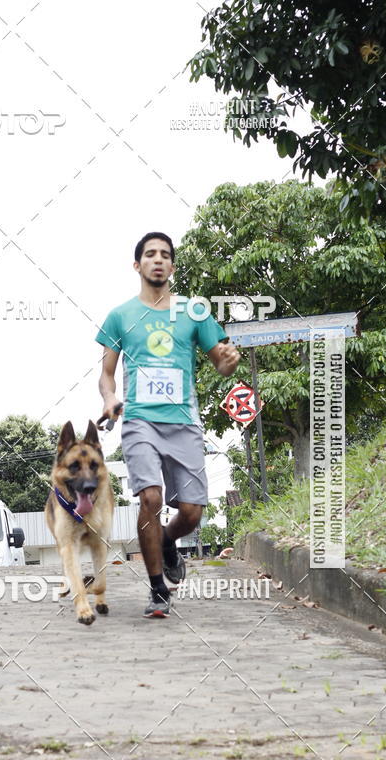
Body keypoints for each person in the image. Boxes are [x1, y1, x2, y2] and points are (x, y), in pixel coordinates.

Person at [96, 231, 241, 619]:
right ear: (137, 265)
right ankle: (159, 589)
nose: (157, 260)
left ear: (172, 266)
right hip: (140, 420)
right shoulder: (120, 315)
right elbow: (107, 374)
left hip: (184, 421)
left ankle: (166, 543)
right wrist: (110, 400)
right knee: (150, 499)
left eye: (164, 255)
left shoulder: (194, 312)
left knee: (192, 511)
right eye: (150, 254)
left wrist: (229, 362)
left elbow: (221, 360)